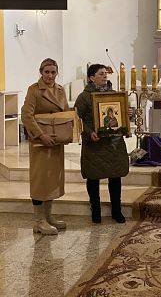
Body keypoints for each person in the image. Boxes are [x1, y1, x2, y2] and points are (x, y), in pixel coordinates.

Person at [75, 64, 129, 224]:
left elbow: (121, 116)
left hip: (114, 143)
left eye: (106, 74)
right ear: (92, 77)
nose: (105, 76)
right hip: (94, 143)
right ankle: (95, 209)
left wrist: (127, 114)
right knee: (93, 177)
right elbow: (78, 119)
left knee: (115, 175)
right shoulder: (84, 97)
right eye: (101, 74)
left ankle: (116, 210)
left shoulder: (115, 95)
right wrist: (89, 131)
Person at [21, 58, 69, 235]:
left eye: (53, 72)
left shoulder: (60, 90)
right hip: (40, 142)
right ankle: (39, 221)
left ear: (57, 73)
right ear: (41, 72)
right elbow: (26, 115)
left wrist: (67, 133)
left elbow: (65, 113)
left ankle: (49, 216)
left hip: (56, 140)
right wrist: (41, 135)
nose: (50, 75)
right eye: (46, 72)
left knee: (52, 180)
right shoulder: (34, 90)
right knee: (40, 180)